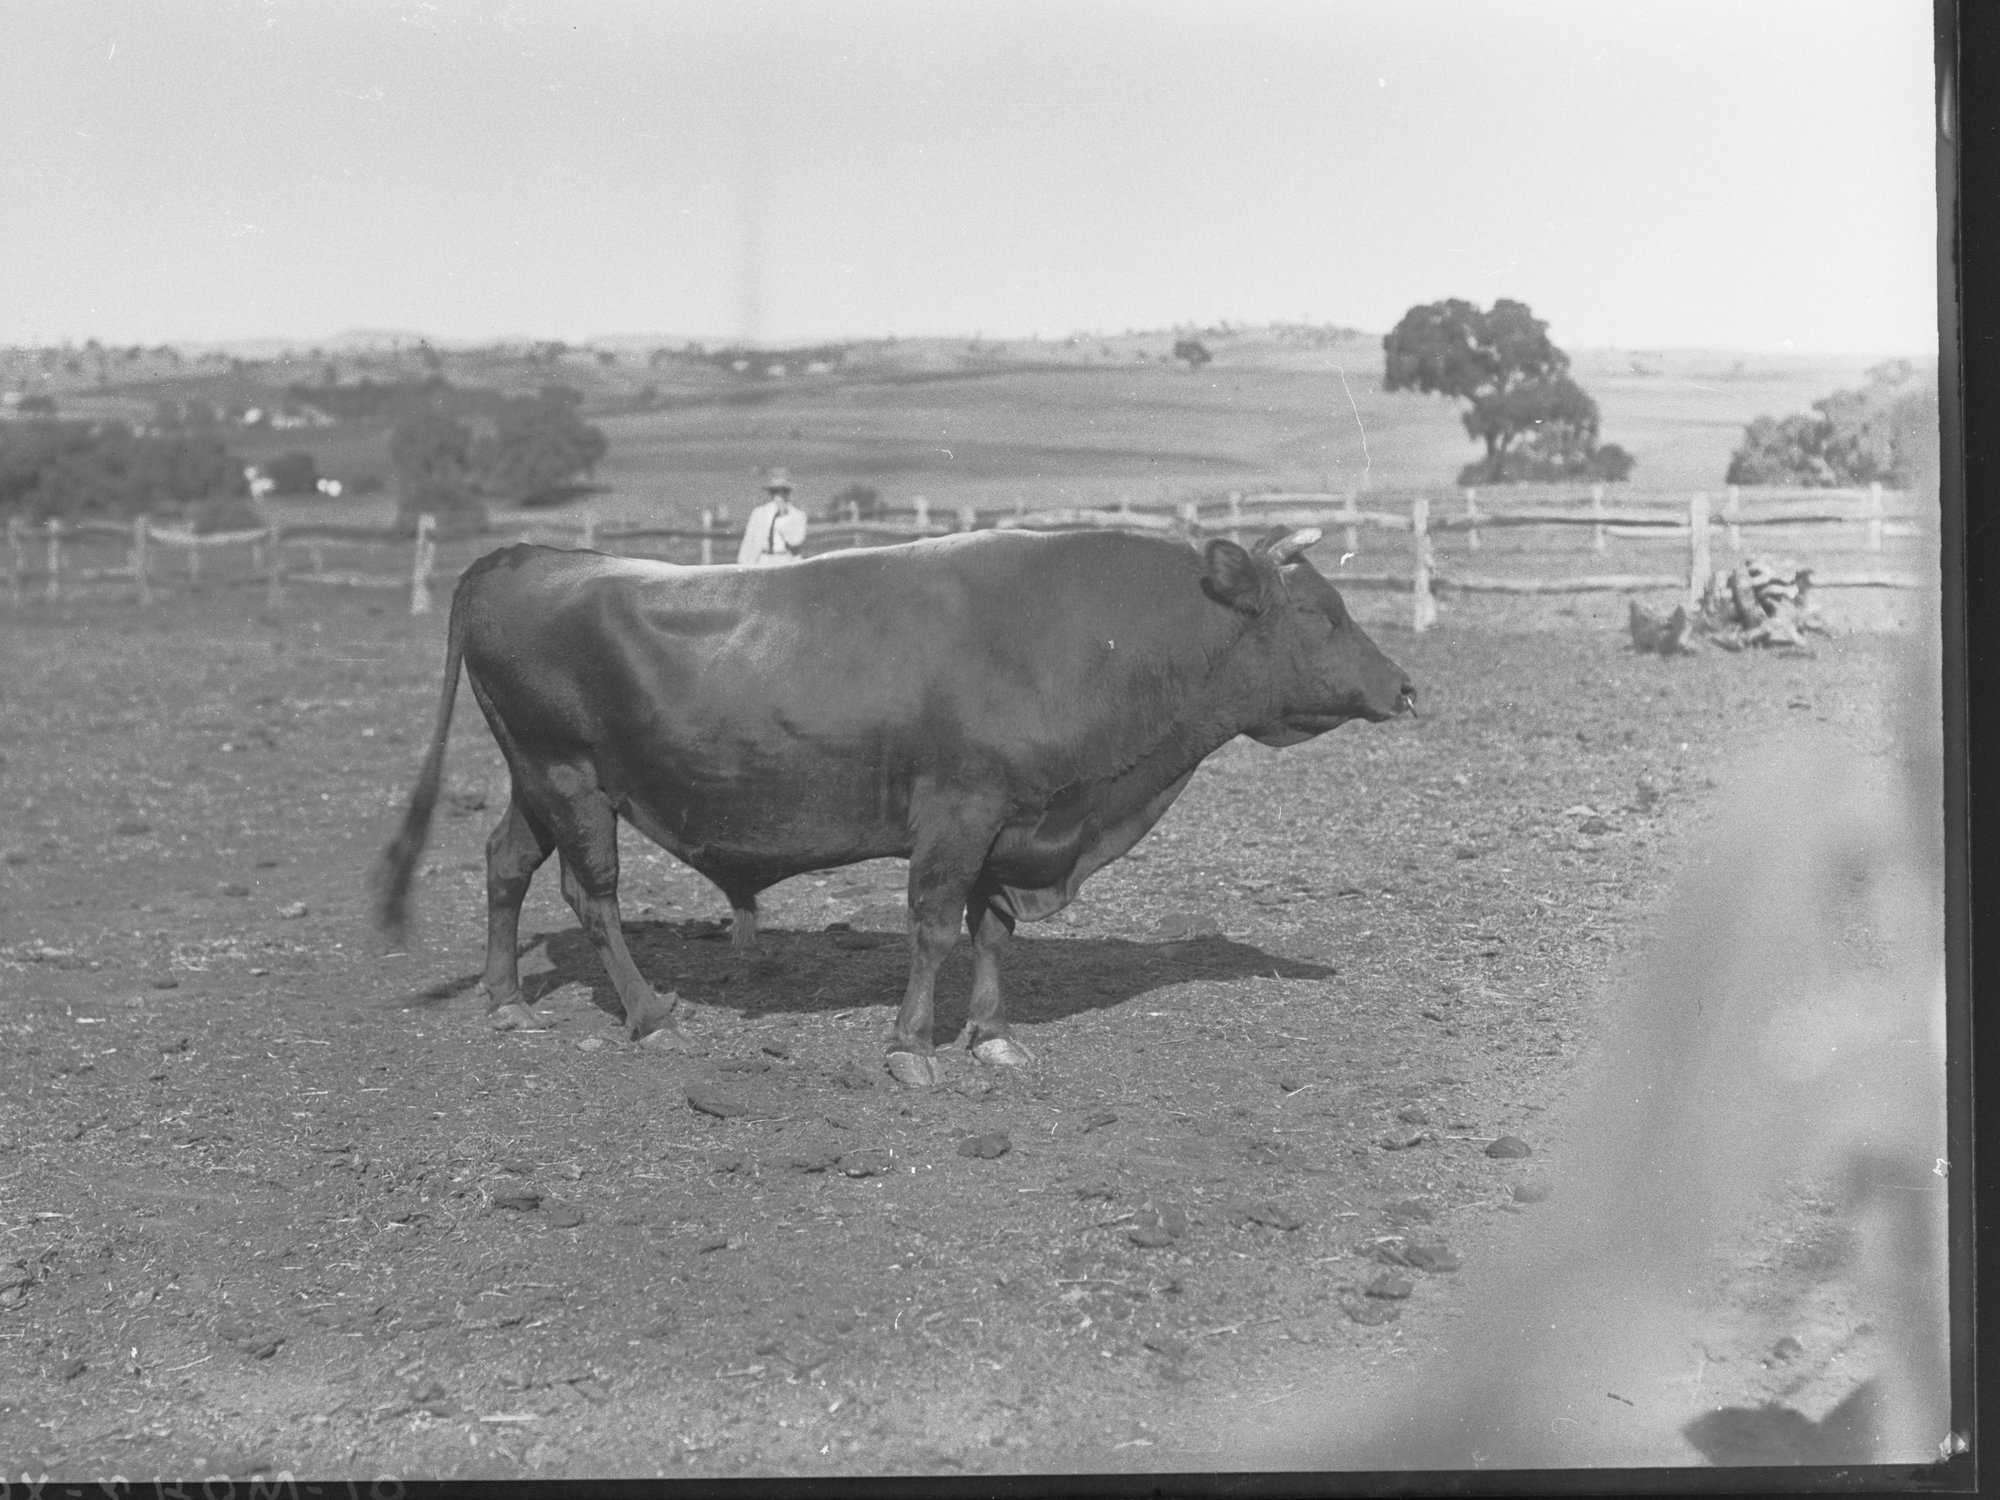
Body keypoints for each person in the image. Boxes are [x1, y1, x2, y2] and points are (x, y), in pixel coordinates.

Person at [737, 467, 808, 566]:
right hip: (764, 559)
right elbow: (749, 540)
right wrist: (743, 564)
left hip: (787, 560)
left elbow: (795, 542)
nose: (779, 494)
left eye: (784, 490)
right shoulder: (759, 513)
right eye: (775, 491)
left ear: (788, 492)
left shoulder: (798, 515)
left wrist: (783, 514)